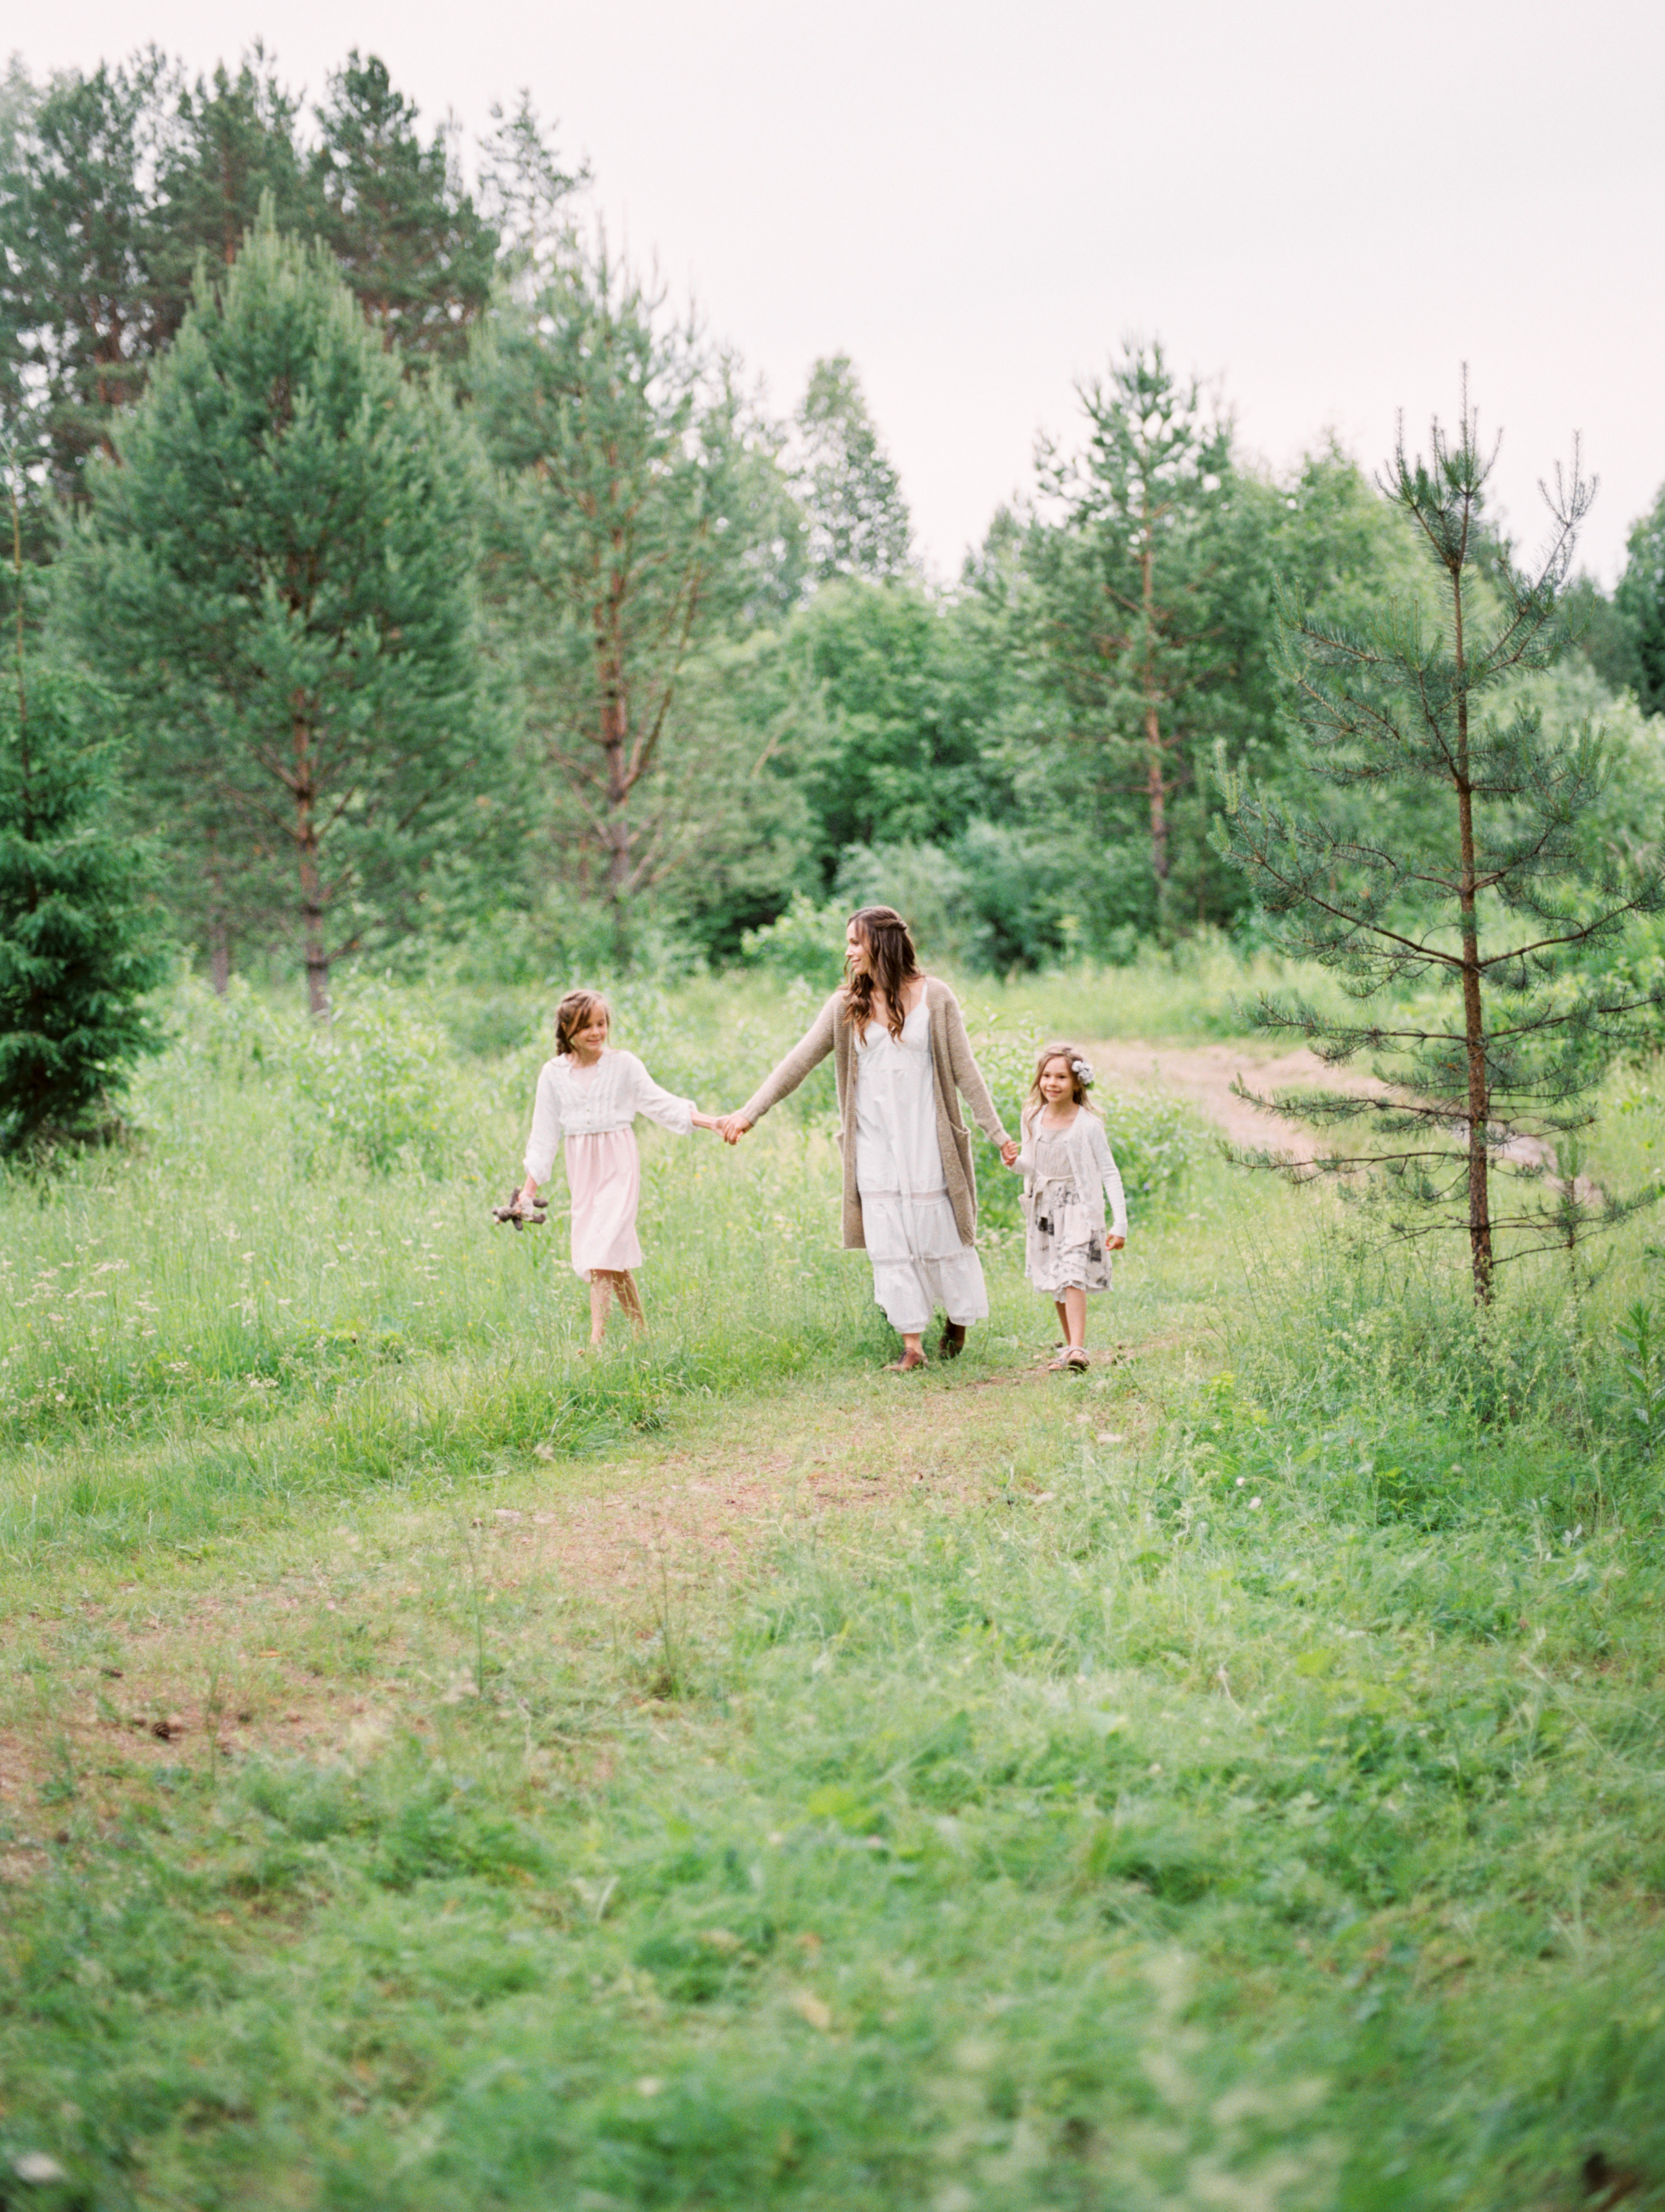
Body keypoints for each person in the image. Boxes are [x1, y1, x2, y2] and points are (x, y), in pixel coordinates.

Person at [717, 906, 1016, 1372]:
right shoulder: (844, 1006)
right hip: (873, 1141)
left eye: (856, 942)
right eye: (848, 943)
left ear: (882, 943)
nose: (848, 952)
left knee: (938, 1231)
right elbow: (797, 1063)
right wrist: (749, 1113)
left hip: (926, 1138)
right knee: (889, 1239)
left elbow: (966, 1072)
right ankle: (912, 1345)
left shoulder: (936, 997)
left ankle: (957, 1317)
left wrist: (997, 1134)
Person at [511, 988, 721, 1347]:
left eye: (601, 1024)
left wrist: (712, 1122)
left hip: (618, 1162)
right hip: (583, 1167)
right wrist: (528, 1192)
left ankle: (597, 1344)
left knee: (601, 1250)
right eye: (586, 1026)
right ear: (566, 1029)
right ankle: (643, 1335)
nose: (596, 1033)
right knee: (611, 1254)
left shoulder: (624, 1065)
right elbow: (543, 1134)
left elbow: (660, 1103)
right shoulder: (553, 1074)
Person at [1010, 1044, 1127, 1372]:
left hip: (1079, 1207)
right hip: (1045, 1209)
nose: (1052, 1083)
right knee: (1057, 1277)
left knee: (1074, 1273)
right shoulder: (1032, 1117)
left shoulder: (1088, 1125)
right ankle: (1070, 1349)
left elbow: (1109, 1172)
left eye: (1061, 1076)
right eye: (1046, 1076)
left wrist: (1121, 1223)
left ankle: (1078, 1348)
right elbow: (1031, 1165)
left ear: (1077, 1082)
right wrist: (1013, 1163)